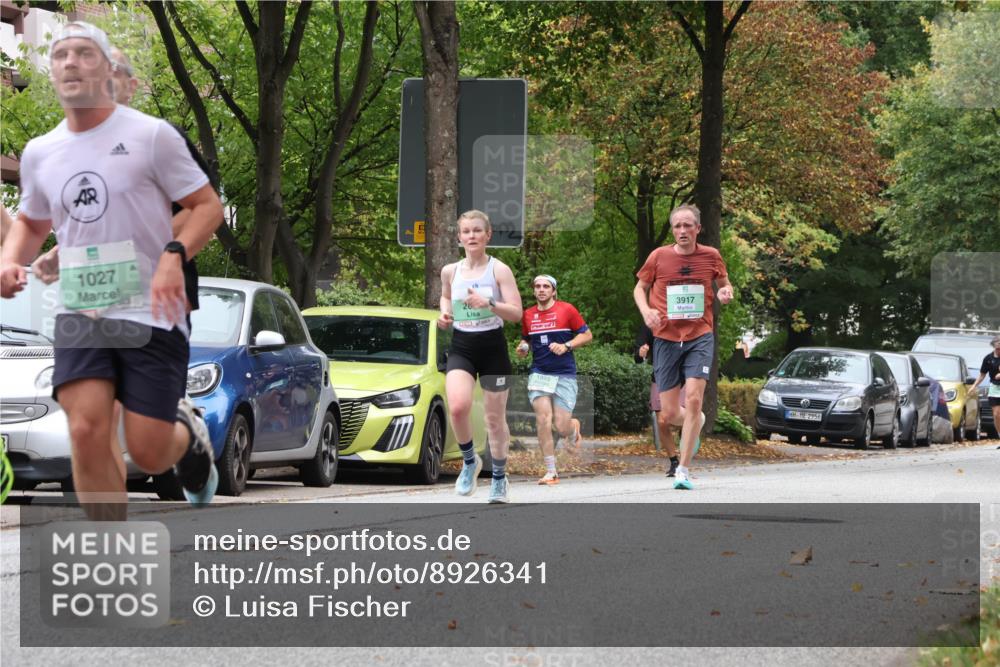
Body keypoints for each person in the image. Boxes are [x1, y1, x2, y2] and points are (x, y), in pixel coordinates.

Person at [0, 22, 223, 517]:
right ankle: (109, 556)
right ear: (51, 72)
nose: (72, 64)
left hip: (153, 303)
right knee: (86, 427)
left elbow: (205, 207)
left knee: (144, 446)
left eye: (87, 55)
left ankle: (185, 439)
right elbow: (35, 222)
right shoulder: (41, 151)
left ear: (113, 74)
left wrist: (172, 253)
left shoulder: (155, 137)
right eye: (62, 55)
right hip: (83, 305)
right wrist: (11, 261)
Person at [633, 204, 734, 490]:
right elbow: (639, 289)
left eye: (688, 225)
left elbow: (725, 285)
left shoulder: (711, 256)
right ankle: (696, 421)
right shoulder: (659, 257)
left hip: (699, 335)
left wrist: (725, 293)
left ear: (698, 229)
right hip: (665, 338)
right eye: (677, 226)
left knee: (692, 399)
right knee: (667, 414)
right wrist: (646, 312)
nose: (682, 231)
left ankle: (683, 470)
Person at [438, 210, 523, 503]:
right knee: (458, 407)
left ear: (488, 236)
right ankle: (469, 461)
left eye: (477, 231)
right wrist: (444, 314)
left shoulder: (499, 270)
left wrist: (488, 302)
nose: (472, 236)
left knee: (494, 420)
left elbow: (516, 313)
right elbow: (446, 296)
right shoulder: (450, 270)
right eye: (466, 231)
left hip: (492, 349)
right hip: (462, 346)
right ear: (459, 237)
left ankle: (499, 477)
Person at [516, 274, 592, 485]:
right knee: (542, 418)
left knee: (561, 426)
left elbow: (587, 335)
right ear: (533, 291)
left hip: (564, 374)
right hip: (539, 373)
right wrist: (523, 347)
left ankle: (572, 428)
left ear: (553, 291)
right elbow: (526, 339)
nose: (541, 289)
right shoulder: (528, 314)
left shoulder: (567, 310)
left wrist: (566, 345)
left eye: (546, 286)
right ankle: (551, 471)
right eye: (538, 286)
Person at [635, 322, 682, 476]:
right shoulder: (651, 322)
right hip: (660, 377)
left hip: (685, 376)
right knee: (662, 421)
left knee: (684, 417)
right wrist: (641, 352)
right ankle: (674, 462)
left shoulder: (684, 318)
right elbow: (638, 354)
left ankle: (689, 440)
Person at [968, 335, 1000, 448]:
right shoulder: (988, 358)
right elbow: (982, 375)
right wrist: (974, 386)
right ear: (994, 346)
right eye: (997, 348)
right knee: (996, 414)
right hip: (995, 388)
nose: (999, 350)